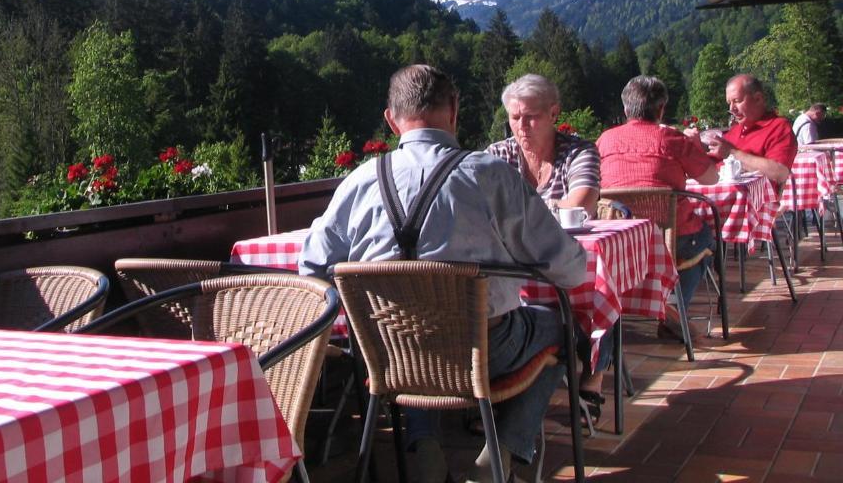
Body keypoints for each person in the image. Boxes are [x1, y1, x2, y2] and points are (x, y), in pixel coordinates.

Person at [299, 64, 586, 483]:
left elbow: (311, 272)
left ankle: (424, 448)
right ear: (454, 109)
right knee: (563, 326)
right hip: (485, 351)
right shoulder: (490, 175)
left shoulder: (358, 182)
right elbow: (570, 270)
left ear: (391, 119)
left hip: (389, 354)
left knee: (412, 332)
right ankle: (504, 449)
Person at [596, 76, 719, 339]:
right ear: (661, 109)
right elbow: (711, 178)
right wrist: (696, 147)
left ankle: (650, 306)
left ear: (626, 109)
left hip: (620, 241)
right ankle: (674, 307)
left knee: (689, 240)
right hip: (668, 239)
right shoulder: (671, 139)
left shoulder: (604, 140)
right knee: (706, 238)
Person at [487, 74, 600, 216]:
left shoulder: (578, 152)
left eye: (530, 117)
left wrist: (512, 211)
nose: (522, 125)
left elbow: (581, 206)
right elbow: (473, 204)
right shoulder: (498, 155)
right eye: (515, 117)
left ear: (553, 114)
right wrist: (554, 206)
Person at [707, 74, 798, 185]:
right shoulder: (734, 131)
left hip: (753, 201)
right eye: (729, 103)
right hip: (718, 197)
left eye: (737, 101)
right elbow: (708, 167)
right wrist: (694, 147)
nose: (731, 109)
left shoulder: (778, 127)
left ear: (758, 99)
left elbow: (780, 173)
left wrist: (732, 152)